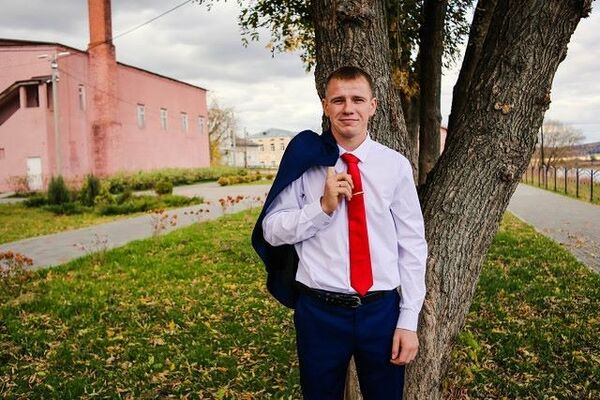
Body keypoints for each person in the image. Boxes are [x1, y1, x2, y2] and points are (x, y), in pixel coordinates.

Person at [252, 66, 427, 399]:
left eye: (357, 99)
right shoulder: (305, 162)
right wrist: (321, 208)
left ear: (373, 106)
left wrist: (408, 320)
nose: (348, 108)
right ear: (325, 106)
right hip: (320, 312)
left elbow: (412, 245)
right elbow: (271, 231)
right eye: (338, 100)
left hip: (381, 312)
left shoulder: (395, 166)